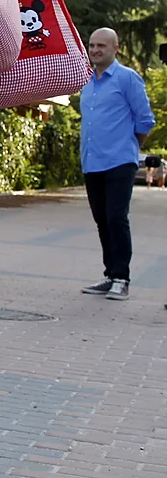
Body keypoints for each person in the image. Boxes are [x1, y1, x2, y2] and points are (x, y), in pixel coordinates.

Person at [79, 27, 155, 302]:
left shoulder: (127, 79)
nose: (95, 50)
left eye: (101, 45)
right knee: (102, 220)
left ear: (115, 48)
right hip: (92, 161)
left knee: (116, 217)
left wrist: (129, 145)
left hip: (120, 161)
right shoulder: (86, 81)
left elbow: (145, 120)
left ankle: (122, 278)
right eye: (92, 45)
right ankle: (110, 274)